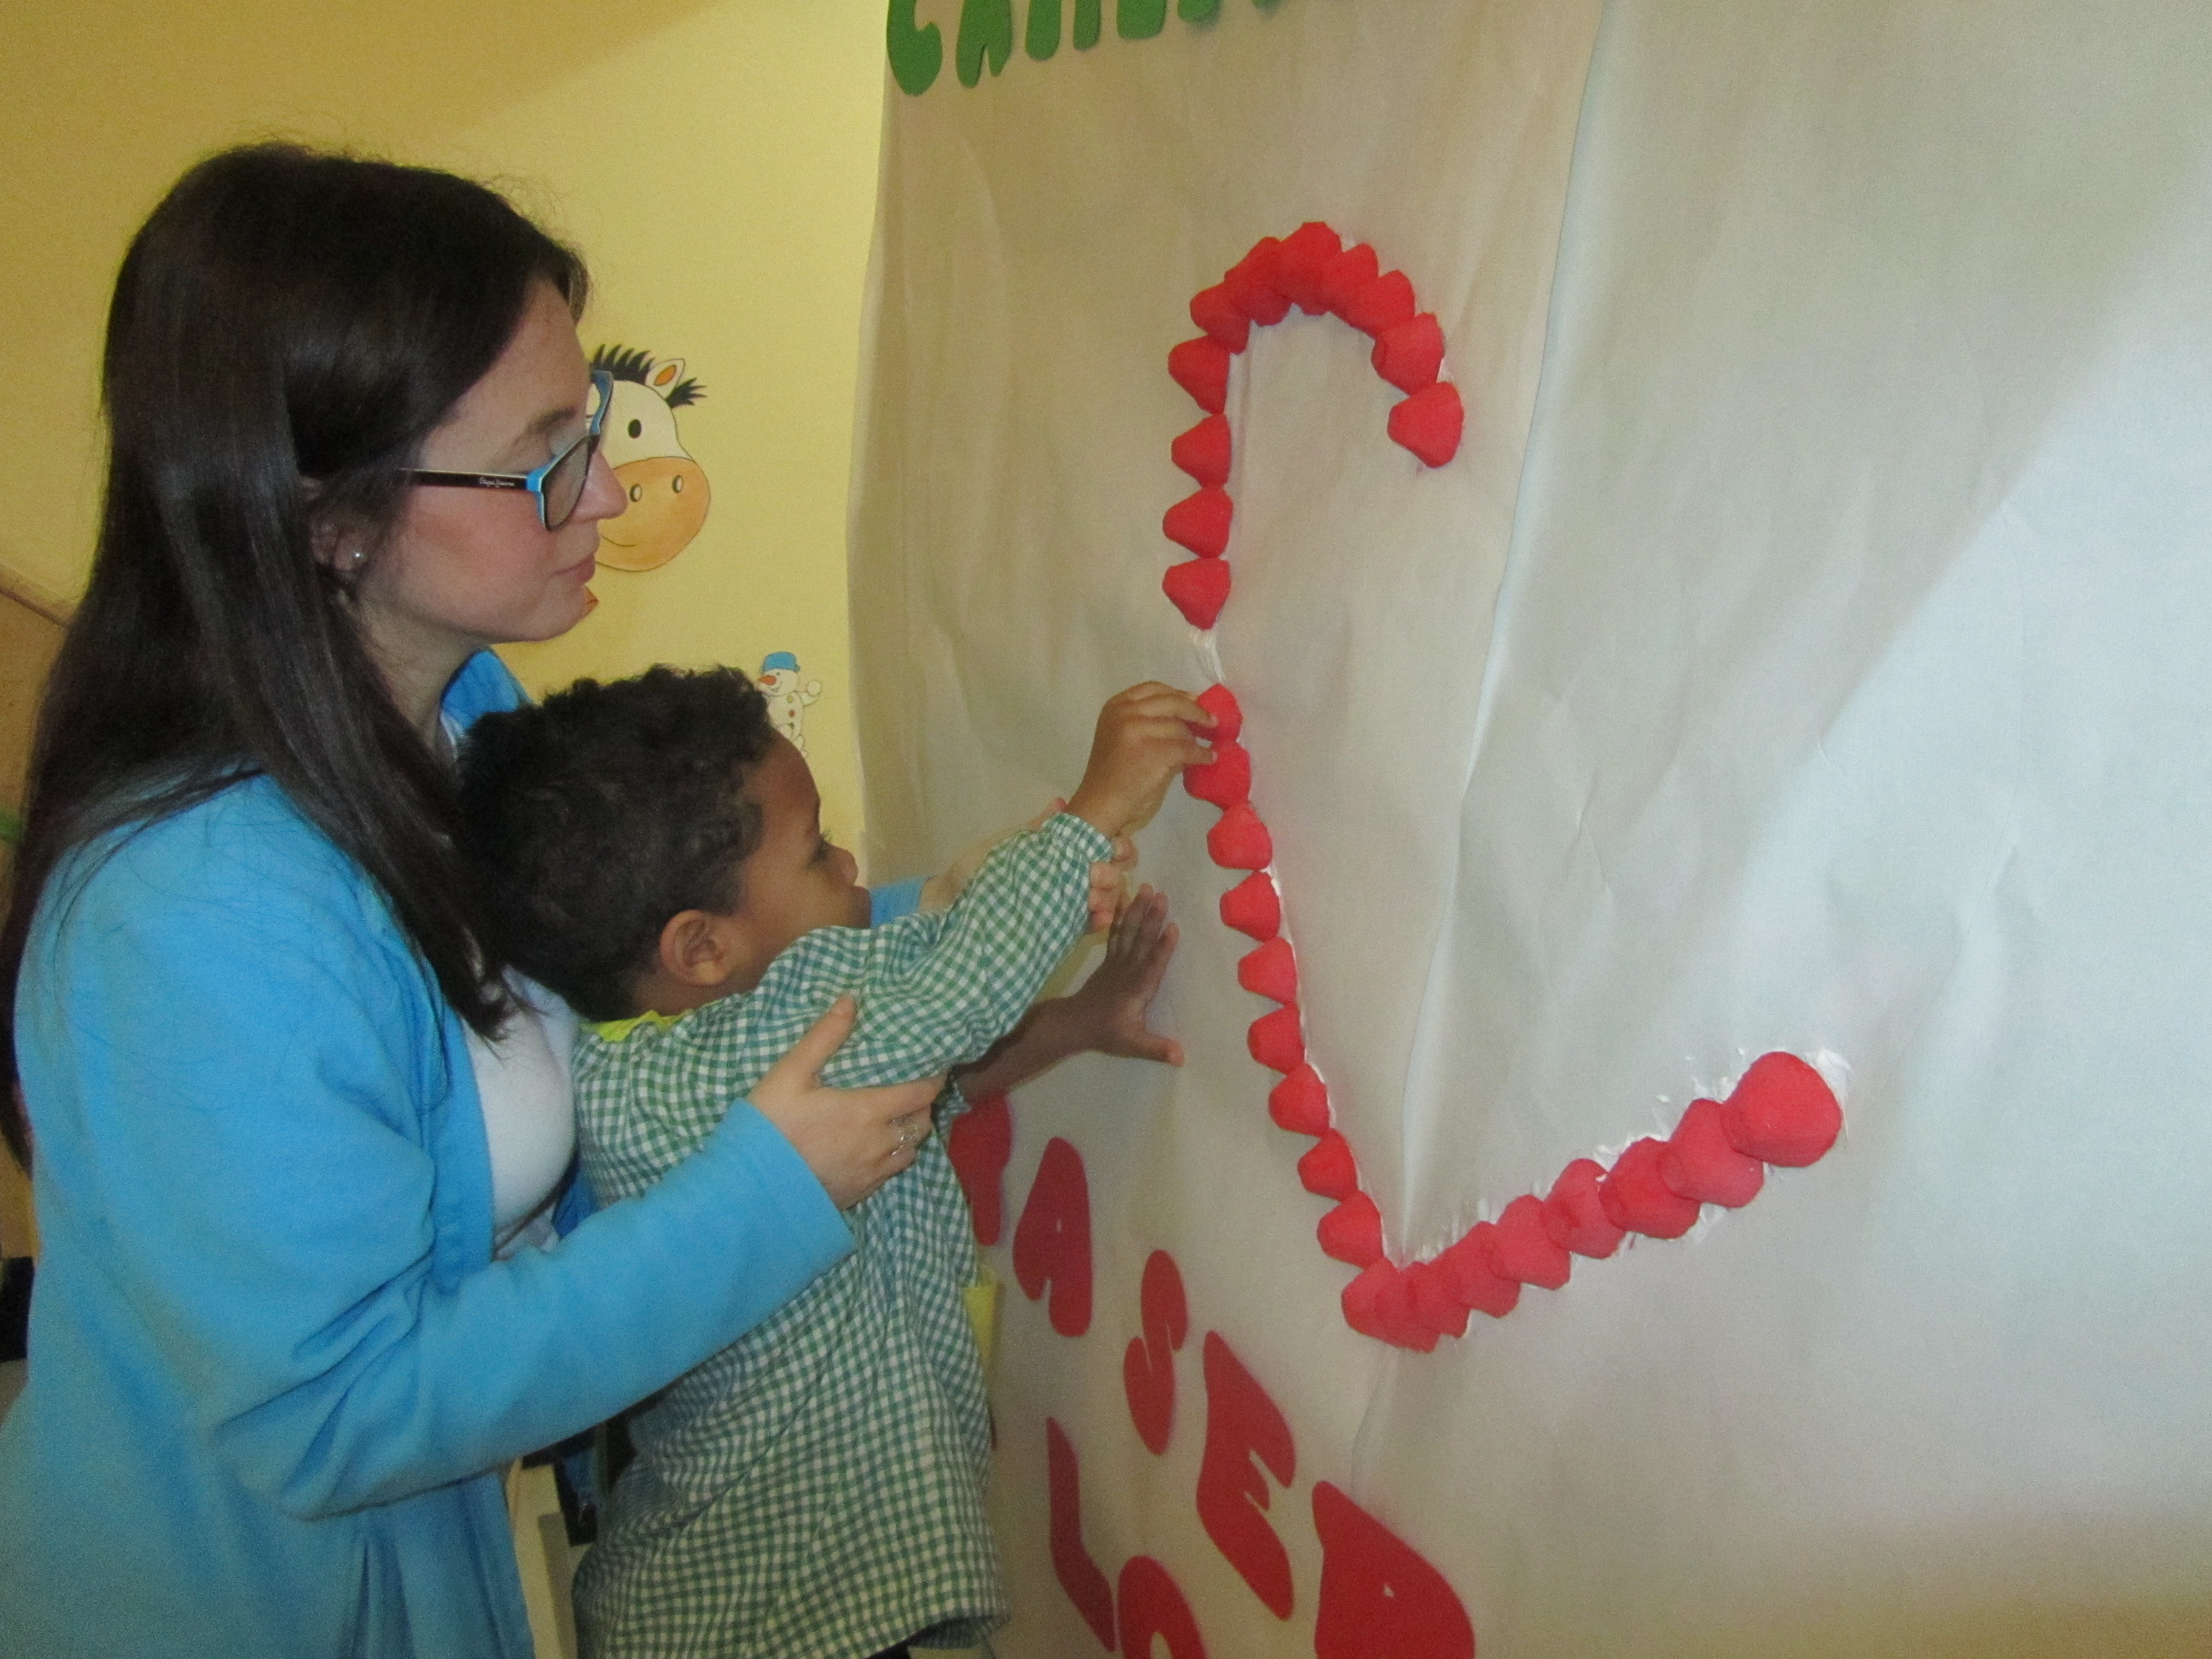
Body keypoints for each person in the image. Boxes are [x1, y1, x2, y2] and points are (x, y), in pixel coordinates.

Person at [0, 144, 950, 1659]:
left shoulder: (465, 710)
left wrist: (924, 911)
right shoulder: (191, 914)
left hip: (447, 1549)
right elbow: (336, 1414)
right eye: (547, 455)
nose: (613, 489)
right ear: (331, 520)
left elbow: (652, 943)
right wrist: (767, 1192)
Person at [457, 667, 1203, 1659]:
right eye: (814, 855)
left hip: (825, 1601)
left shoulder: (716, 1032)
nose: (851, 864)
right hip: (759, 1625)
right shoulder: (676, 1078)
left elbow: (910, 1082)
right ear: (701, 948)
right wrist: (1096, 806)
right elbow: (947, 997)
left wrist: (1073, 1021)